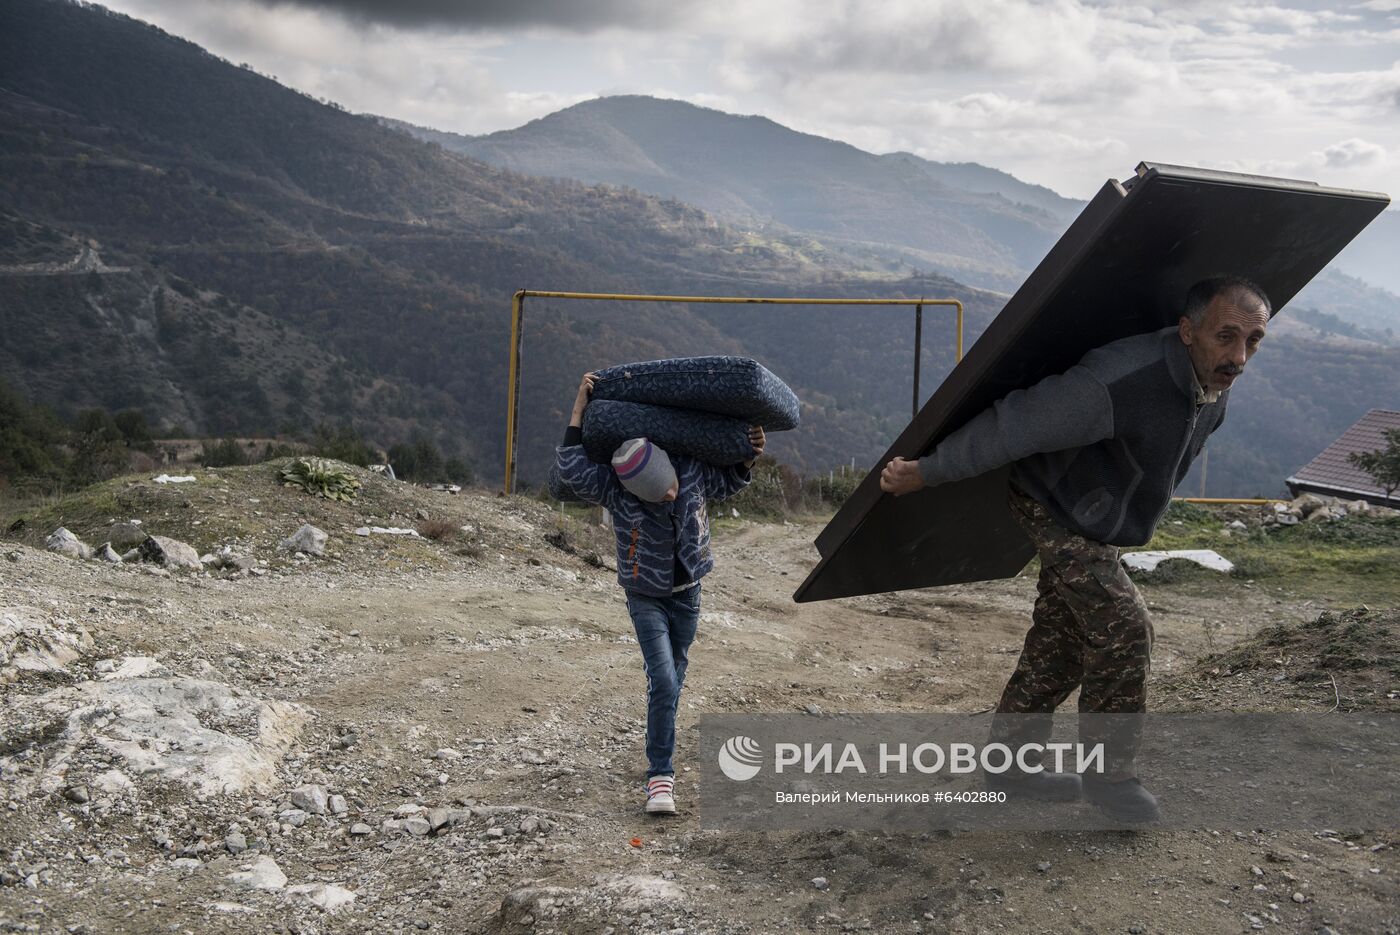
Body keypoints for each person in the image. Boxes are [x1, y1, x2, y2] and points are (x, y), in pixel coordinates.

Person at [879, 276, 1271, 821]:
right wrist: (930, 471)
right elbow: (1016, 423)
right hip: (1050, 502)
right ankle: (1110, 781)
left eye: (1253, 342)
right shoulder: (1118, 380)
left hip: (1099, 523)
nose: (1240, 356)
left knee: (1062, 639)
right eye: (1226, 337)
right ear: (1187, 331)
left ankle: (1009, 766)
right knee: (1124, 626)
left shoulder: (1212, 392)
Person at [555, 372, 765, 814]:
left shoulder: (689, 468)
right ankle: (660, 778)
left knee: (672, 682)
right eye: (658, 496)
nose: (670, 496)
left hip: (689, 592)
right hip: (644, 595)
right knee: (665, 680)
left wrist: (749, 458)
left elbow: (726, 483)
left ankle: (660, 733)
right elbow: (571, 469)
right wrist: (579, 409)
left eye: (671, 489)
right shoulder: (616, 489)